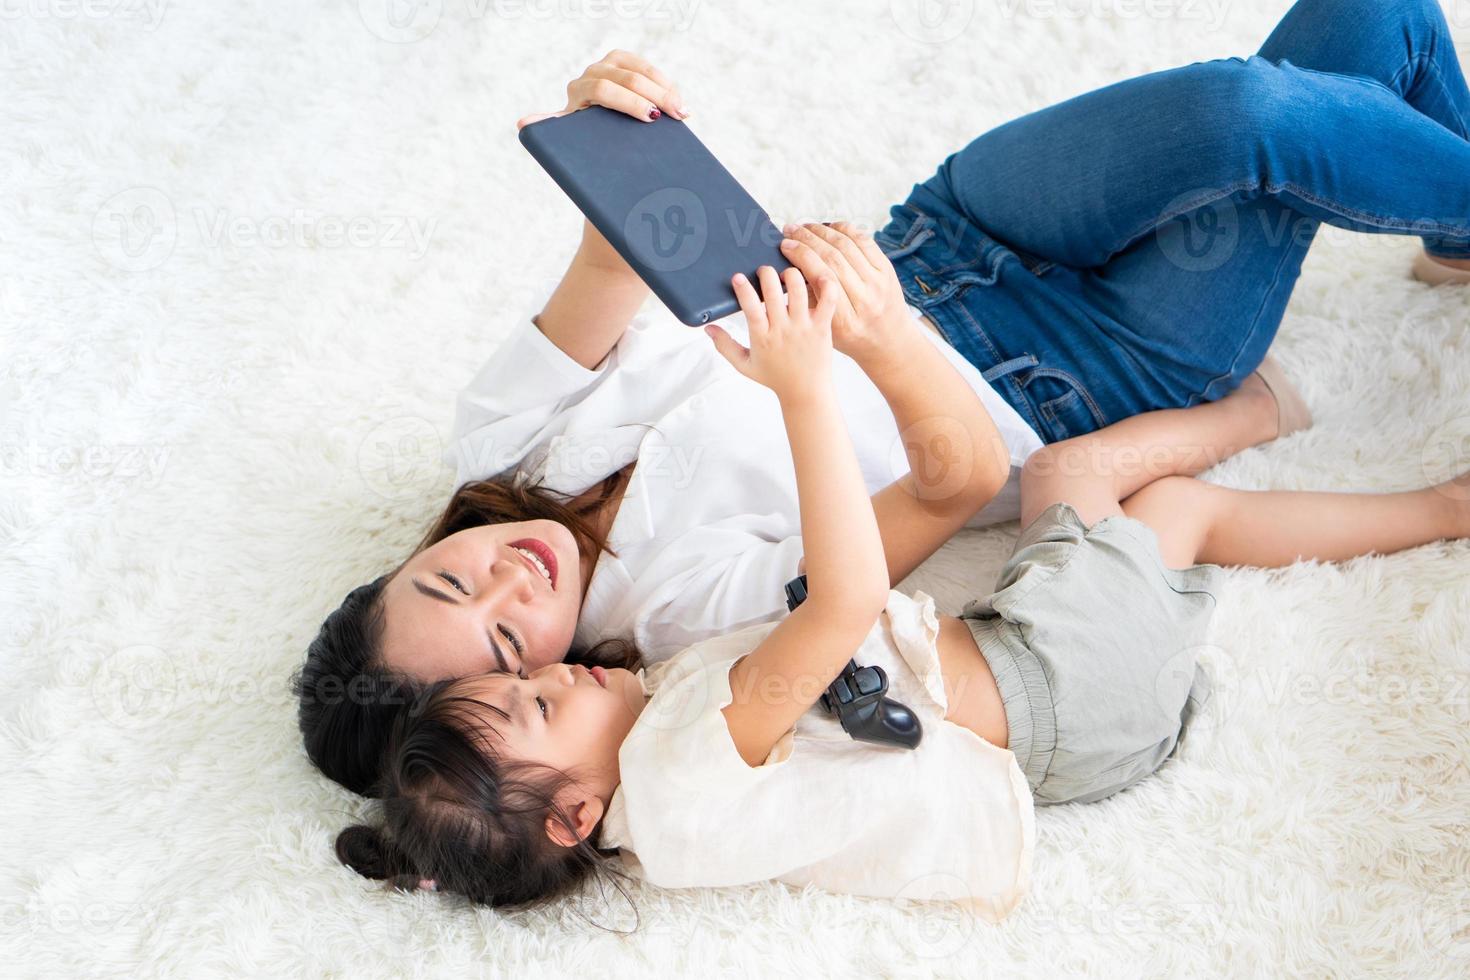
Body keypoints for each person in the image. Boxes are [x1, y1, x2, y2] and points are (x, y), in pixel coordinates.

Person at [294, 0, 1470, 796]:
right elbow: (955, 478)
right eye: (507, 633)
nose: (514, 572)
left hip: (946, 235)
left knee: (1320, 55)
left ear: (417, 551)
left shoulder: (498, 441)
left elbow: (615, 255)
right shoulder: (691, 620)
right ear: (513, 686)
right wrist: (879, 338)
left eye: (452, 571)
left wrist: (610, 131)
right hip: (1080, 372)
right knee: (1284, 103)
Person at [329, 262, 1470, 915]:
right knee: (1086, 479)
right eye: (536, 703)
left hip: (1066, 732)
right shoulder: (683, 752)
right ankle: (1322, 439)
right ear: (576, 809)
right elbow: (839, 601)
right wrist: (803, 391)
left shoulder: (665, 821)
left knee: (1156, 515)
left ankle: (1397, 488)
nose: (554, 670)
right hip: (1055, 678)